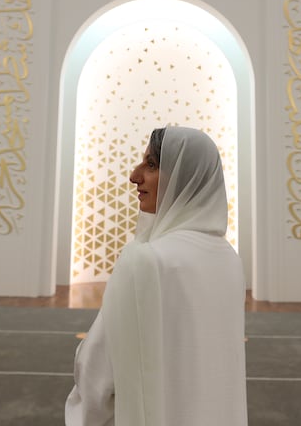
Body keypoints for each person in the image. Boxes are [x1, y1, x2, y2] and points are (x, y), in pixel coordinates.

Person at [65, 126, 248, 426]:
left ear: (184, 177)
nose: (134, 176)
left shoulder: (146, 260)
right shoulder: (229, 260)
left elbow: (97, 373)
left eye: (151, 165)